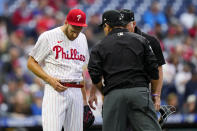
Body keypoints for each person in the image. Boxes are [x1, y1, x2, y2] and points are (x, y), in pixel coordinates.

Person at [88, 10, 161, 131]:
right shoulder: (141, 40)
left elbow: (94, 74)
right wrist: (154, 93)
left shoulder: (100, 45)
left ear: (107, 26)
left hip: (114, 94)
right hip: (139, 92)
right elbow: (154, 70)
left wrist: (104, 92)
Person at [27, 9, 89, 131]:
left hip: (76, 91)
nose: (75, 34)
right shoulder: (48, 36)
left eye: (79, 30)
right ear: (66, 22)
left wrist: (85, 102)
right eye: (73, 30)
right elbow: (31, 63)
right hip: (55, 90)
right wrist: (49, 79)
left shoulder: (82, 38)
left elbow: (80, 70)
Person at [120, 9, 166, 111]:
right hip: (120, 92)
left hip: (144, 91)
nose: (123, 29)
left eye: (125, 25)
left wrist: (157, 95)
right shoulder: (115, 41)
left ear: (134, 23)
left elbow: (159, 69)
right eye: (120, 26)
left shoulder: (151, 41)